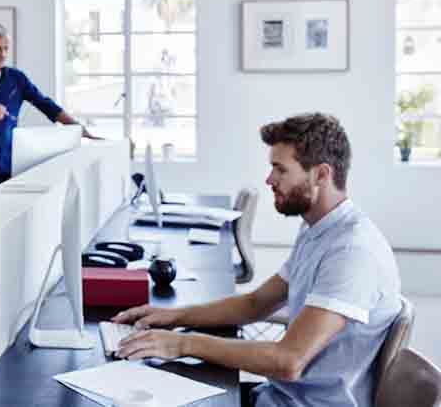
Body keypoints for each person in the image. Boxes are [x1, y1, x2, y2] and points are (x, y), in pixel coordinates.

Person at [112, 113, 401, 407]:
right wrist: (175, 317)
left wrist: (182, 344)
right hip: (278, 397)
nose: (269, 179)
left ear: (321, 175)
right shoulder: (317, 230)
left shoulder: (351, 251)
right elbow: (256, 303)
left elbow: (288, 361)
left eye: (280, 169)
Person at [0, 24, 100, 189]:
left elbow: (45, 104)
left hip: (10, 166)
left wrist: (80, 129)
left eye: (6, 48)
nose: (3, 54)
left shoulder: (17, 79)